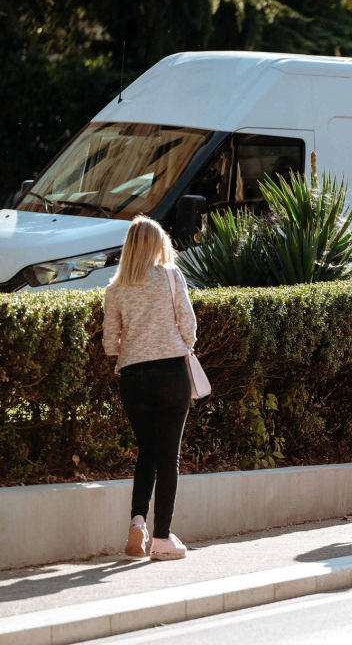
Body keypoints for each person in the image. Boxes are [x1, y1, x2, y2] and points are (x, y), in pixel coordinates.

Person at [103, 216, 196, 560]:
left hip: (132, 377)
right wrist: (177, 342)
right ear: (159, 245)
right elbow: (189, 327)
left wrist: (135, 344)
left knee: (147, 451)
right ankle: (161, 540)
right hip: (171, 373)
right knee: (168, 457)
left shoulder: (115, 288)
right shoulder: (171, 277)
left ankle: (138, 521)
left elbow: (110, 344)